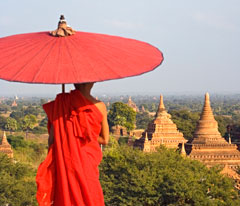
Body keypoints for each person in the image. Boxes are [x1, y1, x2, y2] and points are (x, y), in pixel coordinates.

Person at [36, 83, 109, 206]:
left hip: (65, 161)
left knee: (65, 195)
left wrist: (65, 128)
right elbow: (105, 139)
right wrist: (86, 133)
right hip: (87, 163)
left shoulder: (60, 104)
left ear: (74, 83)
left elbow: (52, 140)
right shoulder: (99, 106)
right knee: (90, 197)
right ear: (92, 82)